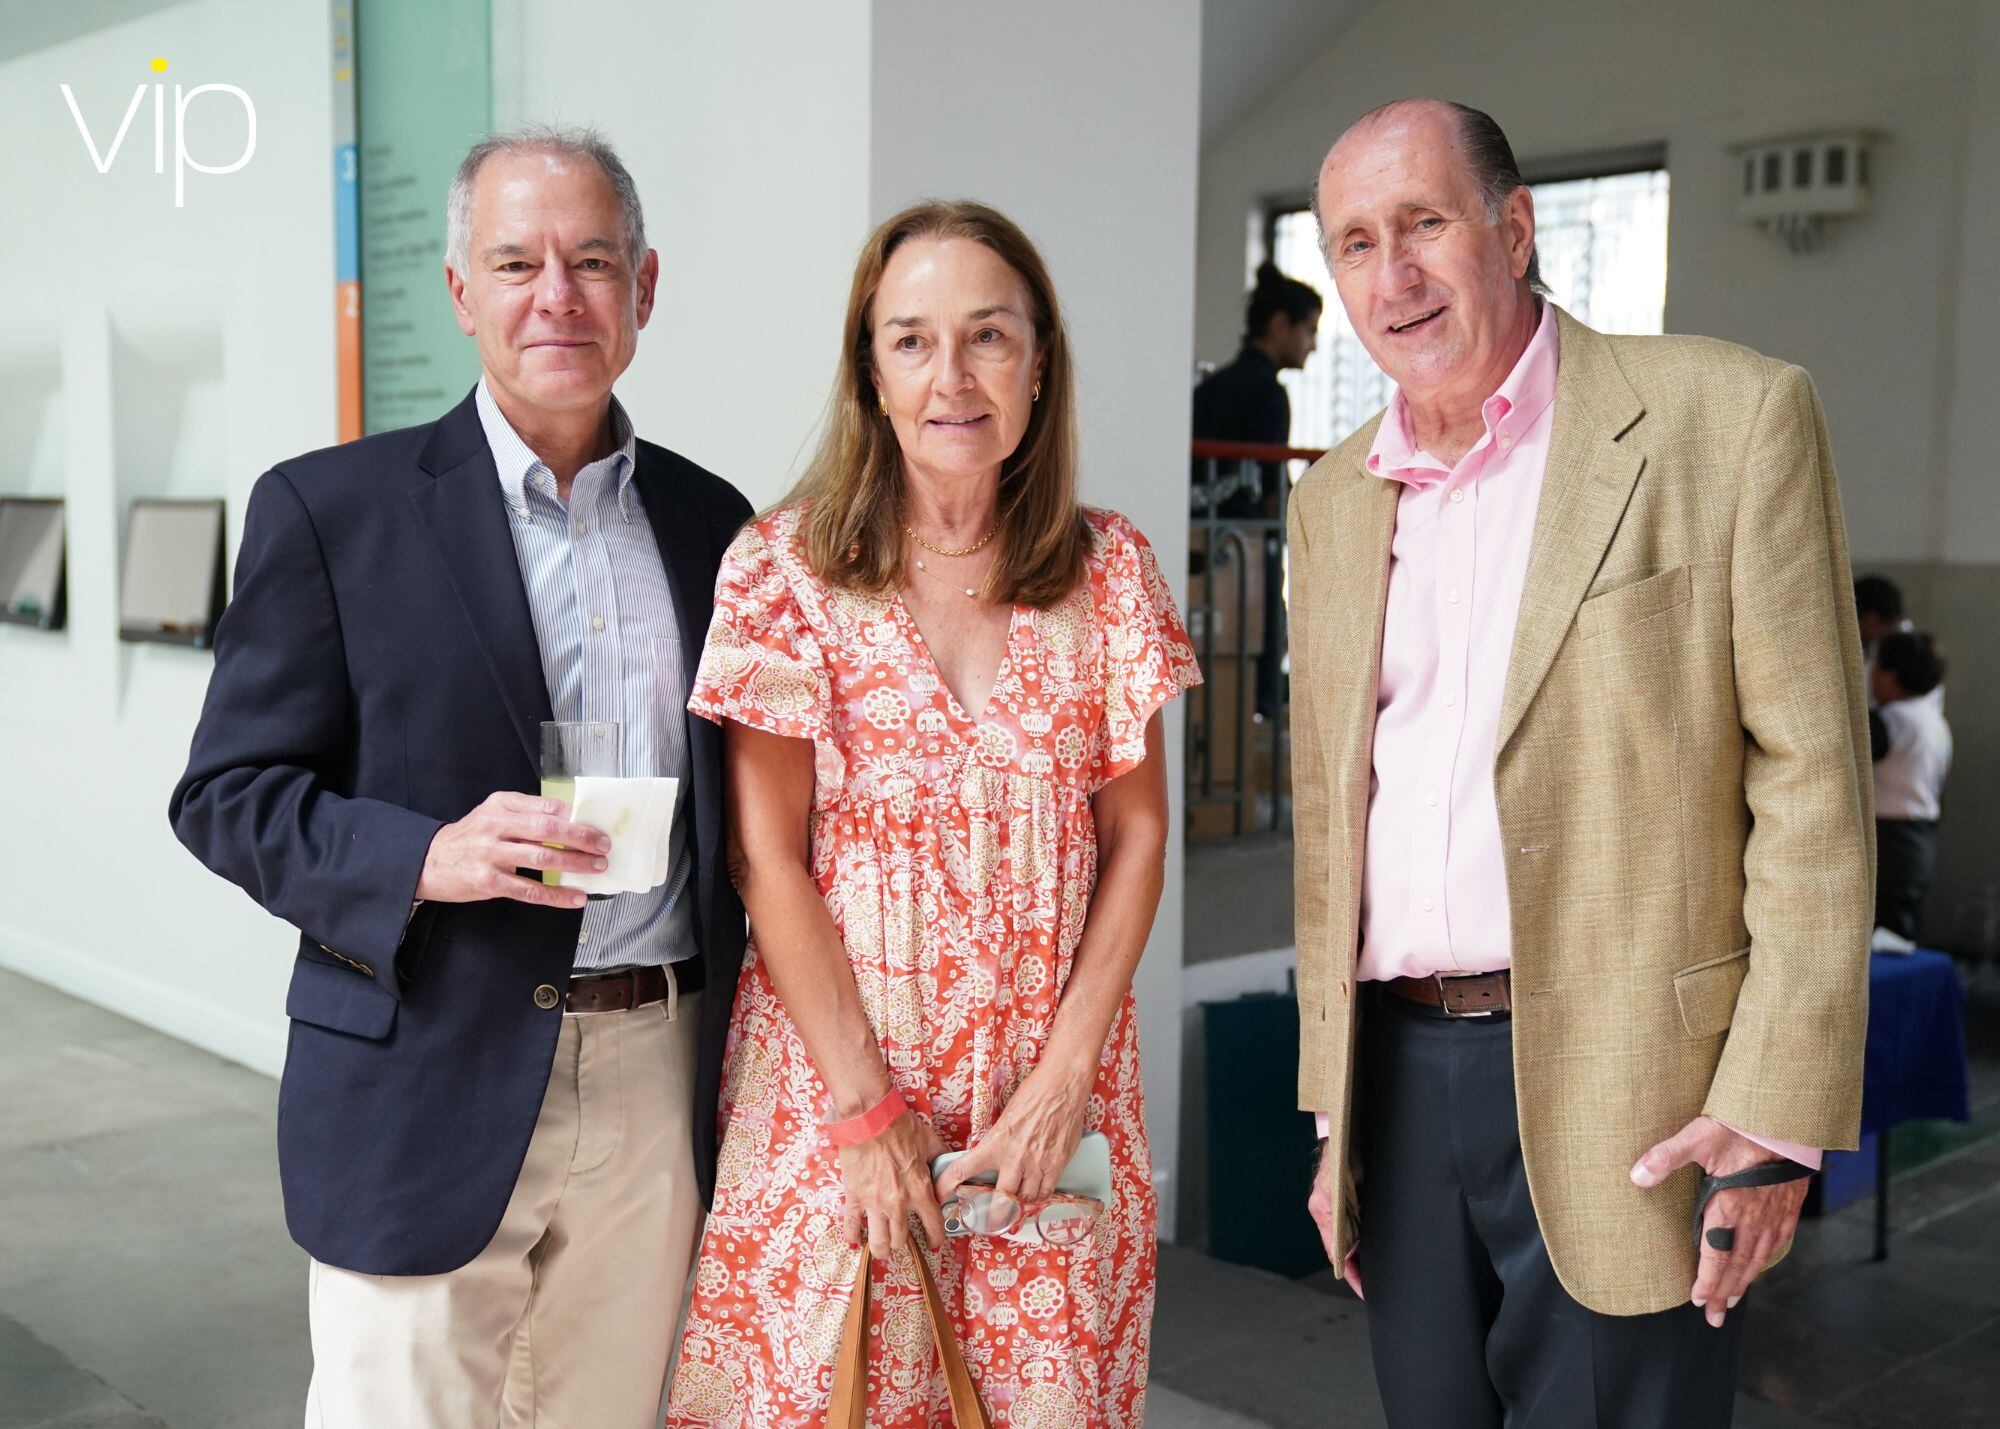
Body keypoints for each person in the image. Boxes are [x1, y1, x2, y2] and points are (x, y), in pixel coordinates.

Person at [1288, 100, 1872, 1427]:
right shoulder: (1329, 501)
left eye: (1425, 224)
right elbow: (1337, 822)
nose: (1395, 277)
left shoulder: (1724, 418)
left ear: (1513, 225)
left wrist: (1773, 1114)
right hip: (1397, 1078)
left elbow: (1813, 791)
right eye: (1358, 244)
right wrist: (1336, 1110)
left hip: (1638, 1088)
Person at [169, 125, 751, 1428]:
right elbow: (225, 793)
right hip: (426, 1063)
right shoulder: (332, 512)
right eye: (517, 260)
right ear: (460, 293)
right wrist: (424, 855)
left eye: (594, 261)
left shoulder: (721, 526)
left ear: (644, 290)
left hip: (659, 1065)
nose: (558, 294)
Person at [665, 200, 1199, 1428]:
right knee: (820, 1399)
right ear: (869, 369)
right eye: (910, 340)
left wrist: (1062, 1083)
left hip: (1046, 1108)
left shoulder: (1109, 572)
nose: (950, 377)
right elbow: (766, 861)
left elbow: (1139, 839)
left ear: (1039, 360)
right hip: (833, 1097)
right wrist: (865, 1111)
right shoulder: (781, 569)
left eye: (987, 337)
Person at [1193, 264, 1321, 718]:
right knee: (1263, 634)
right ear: (1279, 324)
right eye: (1309, 330)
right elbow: (1268, 480)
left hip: (1203, 537)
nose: (1314, 345)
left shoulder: (1212, 386)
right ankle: (1261, 716)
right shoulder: (1265, 391)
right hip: (1246, 538)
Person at [1870, 630, 1952, 941]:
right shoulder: (1934, 720)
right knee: (1902, 936)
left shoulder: (1892, 721)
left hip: (1891, 840)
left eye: (1876, 668)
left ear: (1891, 676)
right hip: (1918, 838)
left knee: (1886, 942)